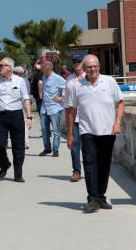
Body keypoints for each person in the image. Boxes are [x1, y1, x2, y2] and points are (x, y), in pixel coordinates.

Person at [67, 54, 124, 213]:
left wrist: (117, 122)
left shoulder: (110, 81)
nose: (93, 69)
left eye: (95, 66)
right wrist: (70, 134)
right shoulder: (76, 86)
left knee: (104, 164)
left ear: (99, 66)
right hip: (87, 131)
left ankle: (101, 197)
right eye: (89, 67)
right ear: (84, 69)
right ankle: (92, 199)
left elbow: (120, 103)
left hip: (108, 131)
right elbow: (71, 111)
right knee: (90, 164)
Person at [0, 57, 32, 182]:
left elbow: (25, 99)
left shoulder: (19, 81)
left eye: (3, 65)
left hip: (16, 115)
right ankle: (4, 164)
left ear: (10, 68)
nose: (0, 67)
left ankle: (18, 174)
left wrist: (29, 116)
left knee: (18, 146)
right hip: (1, 116)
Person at [64, 54, 86, 182]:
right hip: (74, 118)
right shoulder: (69, 80)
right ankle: (76, 171)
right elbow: (66, 101)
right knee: (74, 145)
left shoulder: (88, 77)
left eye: (79, 61)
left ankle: (91, 170)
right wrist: (67, 121)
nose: (76, 63)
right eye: (74, 61)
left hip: (87, 118)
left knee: (89, 146)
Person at [39, 61, 66, 157]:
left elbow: (68, 89)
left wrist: (62, 98)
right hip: (44, 108)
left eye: (43, 69)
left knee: (56, 130)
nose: (41, 71)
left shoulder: (58, 79)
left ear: (48, 69)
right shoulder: (44, 77)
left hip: (55, 108)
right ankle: (47, 148)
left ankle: (55, 150)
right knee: (44, 129)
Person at [13, 66, 31, 149]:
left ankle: (23, 142)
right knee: (24, 124)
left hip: (20, 103)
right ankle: (25, 142)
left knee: (22, 124)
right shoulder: (26, 80)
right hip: (24, 102)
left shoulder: (19, 81)